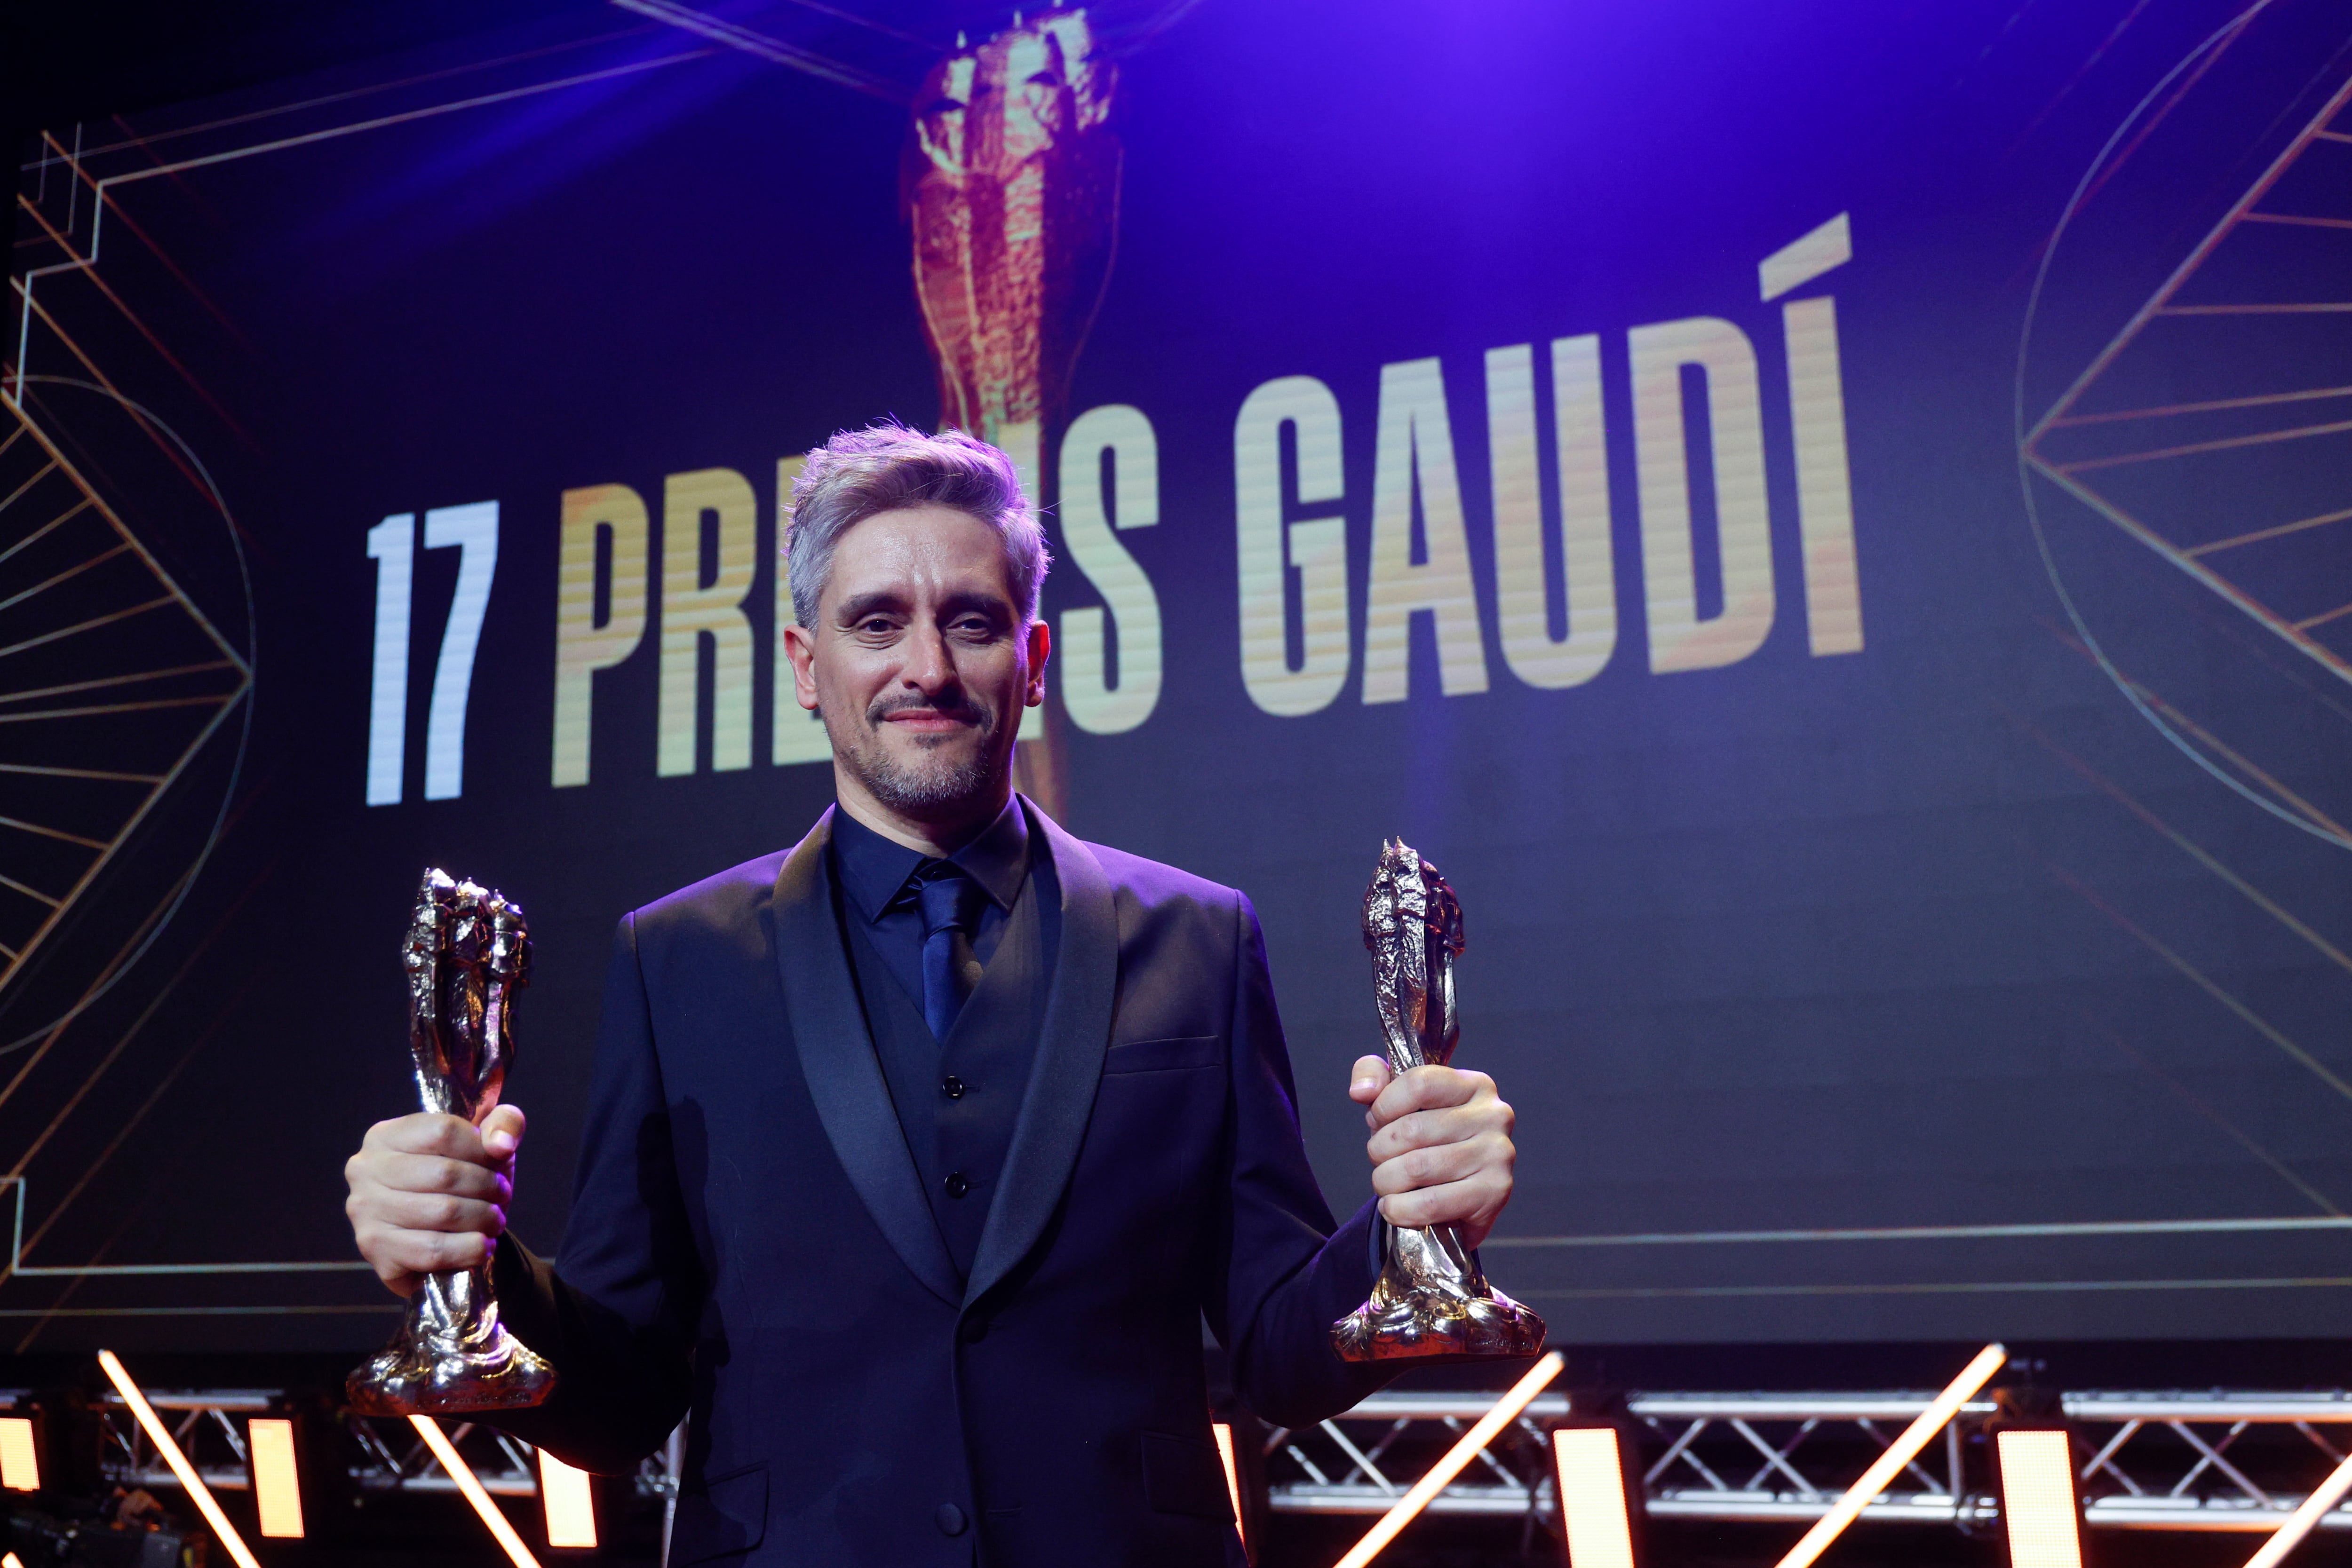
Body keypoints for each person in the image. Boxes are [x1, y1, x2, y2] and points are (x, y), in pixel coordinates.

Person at [342, 424, 1521, 1567]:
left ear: (1036, 659)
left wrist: (1410, 1228)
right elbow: (617, 1397)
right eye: (875, 622)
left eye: (971, 620)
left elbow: (1275, 1349)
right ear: (808, 667)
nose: (927, 667)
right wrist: (469, 1266)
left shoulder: (1199, 936)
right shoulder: (676, 957)